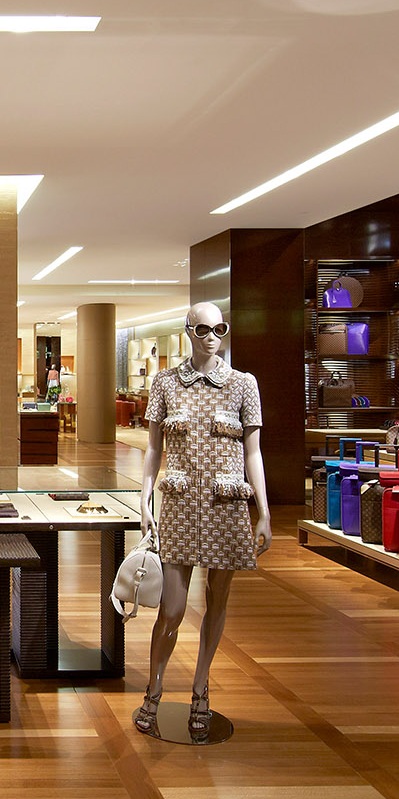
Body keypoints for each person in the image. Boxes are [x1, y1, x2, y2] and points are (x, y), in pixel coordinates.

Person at [135, 301, 271, 739]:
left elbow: (253, 452)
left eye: (219, 329)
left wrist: (264, 511)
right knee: (172, 609)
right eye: (203, 329)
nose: (212, 337)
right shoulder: (165, 383)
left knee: (218, 601)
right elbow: (153, 448)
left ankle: (200, 689)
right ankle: (154, 689)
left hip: (225, 506)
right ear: (188, 331)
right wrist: (144, 498)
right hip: (179, 504)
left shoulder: (243, 384)